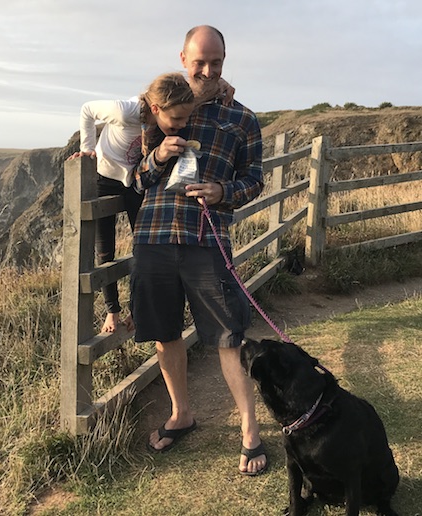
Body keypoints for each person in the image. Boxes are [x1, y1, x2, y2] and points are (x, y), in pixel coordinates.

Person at [131, 25, 267, 476]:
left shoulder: (241, 118)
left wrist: (222, 190)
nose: (208, 71)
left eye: (217, 63)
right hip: (153, 238)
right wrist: (156, 159)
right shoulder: (157, 112)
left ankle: (250, 430)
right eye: (200, 62)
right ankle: (181, 413)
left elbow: (255, 179)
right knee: (164, 332)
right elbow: (136, 178)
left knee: (228, 335)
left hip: (208, 243)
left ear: (225, 62)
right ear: (183, 58)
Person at [69, 73, 235, 334]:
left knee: (143, 245)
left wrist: (220, 85)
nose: (182, 124)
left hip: (135, 178)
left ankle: (137, 310)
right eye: (177, 119)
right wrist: (88, 149)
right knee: (105, 249)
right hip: (105, 177)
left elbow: (187, 83)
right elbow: (87, 110)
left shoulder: (169, 108)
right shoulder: (126, 112)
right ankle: (112, 311)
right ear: (157, 109)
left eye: (185, 119)